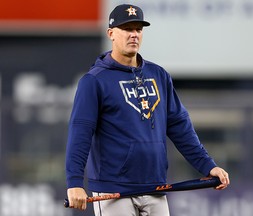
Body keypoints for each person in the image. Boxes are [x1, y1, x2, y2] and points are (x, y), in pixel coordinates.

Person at [65, 3, 230, 216]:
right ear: (111, 33)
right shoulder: (94, 81)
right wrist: (74, 182)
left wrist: (208, 166)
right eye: (127, 29)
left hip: (155, 187)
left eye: (138, 29)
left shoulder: (158, 75)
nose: (134, 34)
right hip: (114, 190)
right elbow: (80, 134)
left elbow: (180, 128)